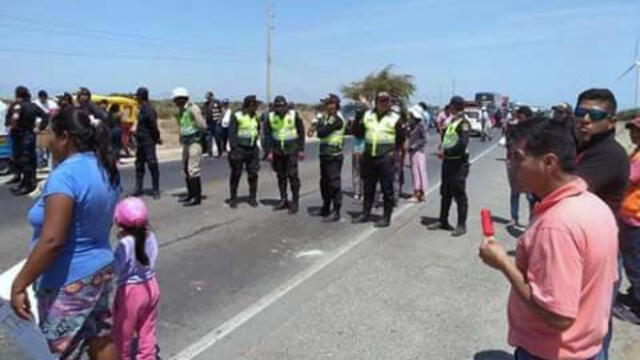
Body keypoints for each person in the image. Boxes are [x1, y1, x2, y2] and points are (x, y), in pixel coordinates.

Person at [479, 118, 618, 360]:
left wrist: (502, 263)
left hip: (552, 352)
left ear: (549, 162)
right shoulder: (594, 205)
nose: (510, 165)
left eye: (518, 157)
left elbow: (557, 316)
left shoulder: (556, 225)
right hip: (588, 349)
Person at [10, 107, 121, 360]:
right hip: (100, 268)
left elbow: (52, 240)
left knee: (61, 350)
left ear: (64, 137)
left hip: (68, 279)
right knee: (100, 337)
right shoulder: (105, 167)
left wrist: (20, 283)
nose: (47, 140)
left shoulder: (65, 176)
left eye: (50, 133)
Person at [571, 89, 629, 360]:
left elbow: (566, 191)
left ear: (611, 121)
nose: (584, 119)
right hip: (579, 248)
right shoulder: (583, 147)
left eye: (594, 115)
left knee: (592, 335)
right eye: (580, 112)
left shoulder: (608, 154)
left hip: (597, 255)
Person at [113, 197, 160, 360]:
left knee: (123, 335)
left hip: (130, 292)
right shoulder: (150, 236)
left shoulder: (124, 244)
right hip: (151, 285)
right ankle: (148, 356)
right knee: (147, 330)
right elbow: (152, 258)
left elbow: (115, 268)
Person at [351, 92, 406, 228]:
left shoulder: (395, 118)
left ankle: (386, 217)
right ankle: (365, 213)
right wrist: (359, 115)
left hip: (385, 157)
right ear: (376, 102)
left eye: (386, 101)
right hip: (369, 156)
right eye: (381, 100)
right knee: (368, 187)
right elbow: (358, 132)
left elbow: (401, 138)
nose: (384, 103)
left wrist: (393, 153)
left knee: (387, 189)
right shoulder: (368, 115)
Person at [428, 96, 470, 237]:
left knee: (459, 193)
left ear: (455, 107)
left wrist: (446, 152)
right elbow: (448, 139)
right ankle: (443, 220)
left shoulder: (463, 123)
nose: (449, 108)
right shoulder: (452, 121)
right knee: (445, 192)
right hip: (448, 162)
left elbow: (462, 144)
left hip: (458, 163)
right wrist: (442, 148)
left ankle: (461, 225)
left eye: (451, 106)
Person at [265, 95, 306, 214]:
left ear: (286, 106)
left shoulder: (293, 115)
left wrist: (301, 149)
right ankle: (283, 199)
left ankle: (295, 201)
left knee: (293, 175)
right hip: (278, 150)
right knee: (281, 175)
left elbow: (301, 131)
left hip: (292, 149)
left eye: (282, 107)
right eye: (277, 107)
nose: (280, 110)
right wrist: (269, 151)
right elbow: (267, 135)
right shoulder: (271, 116)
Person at [5, 86, 49, 196]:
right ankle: (28, 182)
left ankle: (27, 184)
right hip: (29, 133)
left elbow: (11, 120)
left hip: (20, 134)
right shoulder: (33, 106)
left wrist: (10, 127)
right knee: (30, 158)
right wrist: (40, 128)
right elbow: (45, 116)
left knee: (23, 159)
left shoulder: (17, 106)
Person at [617, 117, 640, 324]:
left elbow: (627, 178)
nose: (633, 133)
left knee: (634, 264)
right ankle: (634, 296)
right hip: (630, 215)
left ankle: (638, 309)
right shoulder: (636, 152)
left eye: (637, 130)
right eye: (632, 129)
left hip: (635, 218)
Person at [173, 87, 207, 206]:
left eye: (177, 100)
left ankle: (196, 197)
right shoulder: (181, 111)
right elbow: (182, 126)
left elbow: (202, 125)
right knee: (186, 168)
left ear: (183, 99)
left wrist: (198, 137)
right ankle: (190, 194)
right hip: (186, 143)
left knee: (193, 169)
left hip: (194, 141)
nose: (176, 103)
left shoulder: (193, 108)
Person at [315, 94, 346, 222]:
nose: (328, 106)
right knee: (324, 183)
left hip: (334, 155)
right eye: (326, 104)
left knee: (334, 183)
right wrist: (319, 125)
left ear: (336, 104)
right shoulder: (326, 117)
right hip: (324, 154)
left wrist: (318, 125)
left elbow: (322, 132)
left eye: (330, 103)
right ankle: (326, 206)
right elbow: (318, 132)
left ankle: (336, 210)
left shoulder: (337, 119)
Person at [227, 95, 262, 209]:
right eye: (255, 105)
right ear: (249, 105)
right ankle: (233, 198)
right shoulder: (237, 116)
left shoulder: (256, 116)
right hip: (239, 149)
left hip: (252, 149)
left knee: (253, 174)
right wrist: (234, 149)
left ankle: (252, 198)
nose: (256, 107)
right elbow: (232, 134)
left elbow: (257, 130)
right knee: (236, 174)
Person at [506, 106, 537, 227]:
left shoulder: (535, 130)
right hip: (514, 163)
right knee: (514, 192)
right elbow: (509, 141)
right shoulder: (515, 127)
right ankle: (514, 217)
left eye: (521, 117)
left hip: (528, 165)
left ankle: (532, 220)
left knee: (530, 195)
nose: (519, 119)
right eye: (518, 117)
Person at [133, 87, 162, 200]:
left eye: (137, 96)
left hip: (148, 141)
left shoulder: (149, 110)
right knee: (139, 164)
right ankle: (138, 188)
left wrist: (157, 138)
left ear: (141, 97)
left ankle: (155, 189)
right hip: (140, 141)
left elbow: (154, 127)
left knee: (152, 164)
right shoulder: (142, 109)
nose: (136, 98)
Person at [408, 106, 428, 203]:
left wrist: (414, 146)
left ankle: (418, 193)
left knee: (418, 172)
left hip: (418, 152)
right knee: (416, 172)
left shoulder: (420, 126)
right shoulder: (412, 126)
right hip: (414, 152)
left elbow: (424, 139)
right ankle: (420, 192)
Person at [203, 92, 217, 157]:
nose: (207, 98)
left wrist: (219, 120)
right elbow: (203, 113)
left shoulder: (216, 102)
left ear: (211, 96)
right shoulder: (205, 104)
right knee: (209, 138)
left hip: (216, 123)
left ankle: (221, 151)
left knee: (218, 137)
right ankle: (210, 152)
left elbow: (221, 111)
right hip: (209, 123)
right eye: (206, 97)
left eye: (208, 96)